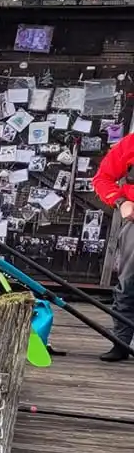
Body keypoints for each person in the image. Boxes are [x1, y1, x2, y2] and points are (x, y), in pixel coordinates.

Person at [89, 127, 134, 360]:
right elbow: (102, 178)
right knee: (128, 285)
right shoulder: (130, 144)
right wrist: (121, 202)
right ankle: (121, 343)